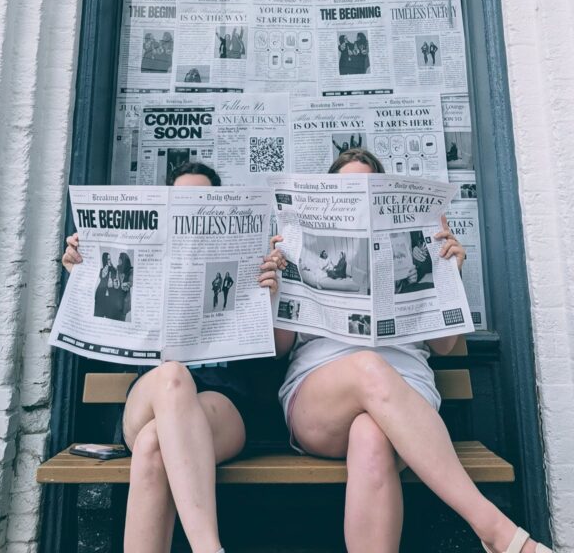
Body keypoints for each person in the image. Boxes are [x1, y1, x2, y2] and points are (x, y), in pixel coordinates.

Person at [273, 148, 553, 553]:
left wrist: (449, 276)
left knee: (371, 435)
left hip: (406, 400)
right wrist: (277, 287)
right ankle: (494, 529)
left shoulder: (419, 244)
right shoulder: (299, 245)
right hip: (319, 402)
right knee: (367, 366)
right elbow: (281, 349)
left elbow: (442, 346)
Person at [62, 160, 282, 553]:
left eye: (203, 199)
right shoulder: (143, 259)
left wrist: (270, 298)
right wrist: (81, 272)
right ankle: (208, 548)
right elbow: (103, 321)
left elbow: (279, 350)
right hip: (150, 394)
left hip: (221, 402)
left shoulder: (248, 257)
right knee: (173, 376)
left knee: (152, 445)